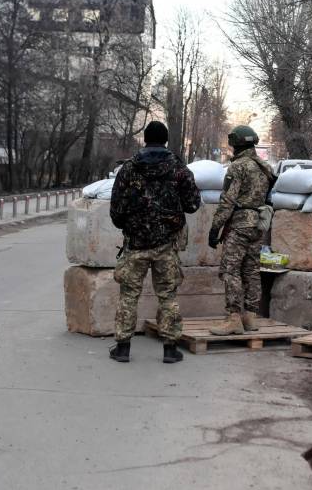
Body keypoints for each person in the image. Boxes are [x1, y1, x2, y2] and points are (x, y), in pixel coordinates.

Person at [109, 121, 201, 363]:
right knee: (168, 296)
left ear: (145, 139)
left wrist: (130, 224)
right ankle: (170, 349)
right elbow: (192, 204)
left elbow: (116, 210)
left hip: (135, 243)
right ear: (166, 140)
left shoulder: (128, 169)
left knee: (129, 295)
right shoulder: (179, 169)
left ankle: (123, 348)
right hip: (167, 244)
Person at [207, 125, 276, 335]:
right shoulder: (265, 167)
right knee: (251, 270)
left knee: (230, 269)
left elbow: (228, 201)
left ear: (235, 143)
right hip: (258, 224)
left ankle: (234, 317)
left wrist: (215, 228)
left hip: (239, 224)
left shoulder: (238, 167)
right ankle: (250, 317)